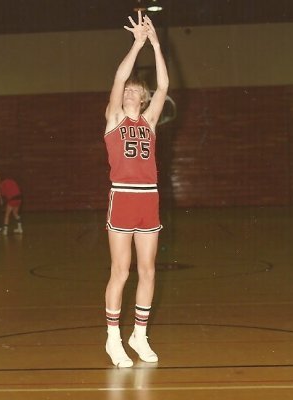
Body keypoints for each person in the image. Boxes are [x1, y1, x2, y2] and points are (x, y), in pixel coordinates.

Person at [103, 11, 169, 368]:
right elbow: (118, 76)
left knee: (148, 270)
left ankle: (138, 335)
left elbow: (164, 87)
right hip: (123, 196)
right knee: (121, 271)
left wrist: (157, 44)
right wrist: (137, 43)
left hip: (149, 198)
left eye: (134, 90)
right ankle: (113, 338)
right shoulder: (114, 118)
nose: (129, 90)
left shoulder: (150, 120)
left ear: (142, 99)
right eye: (127, 89)